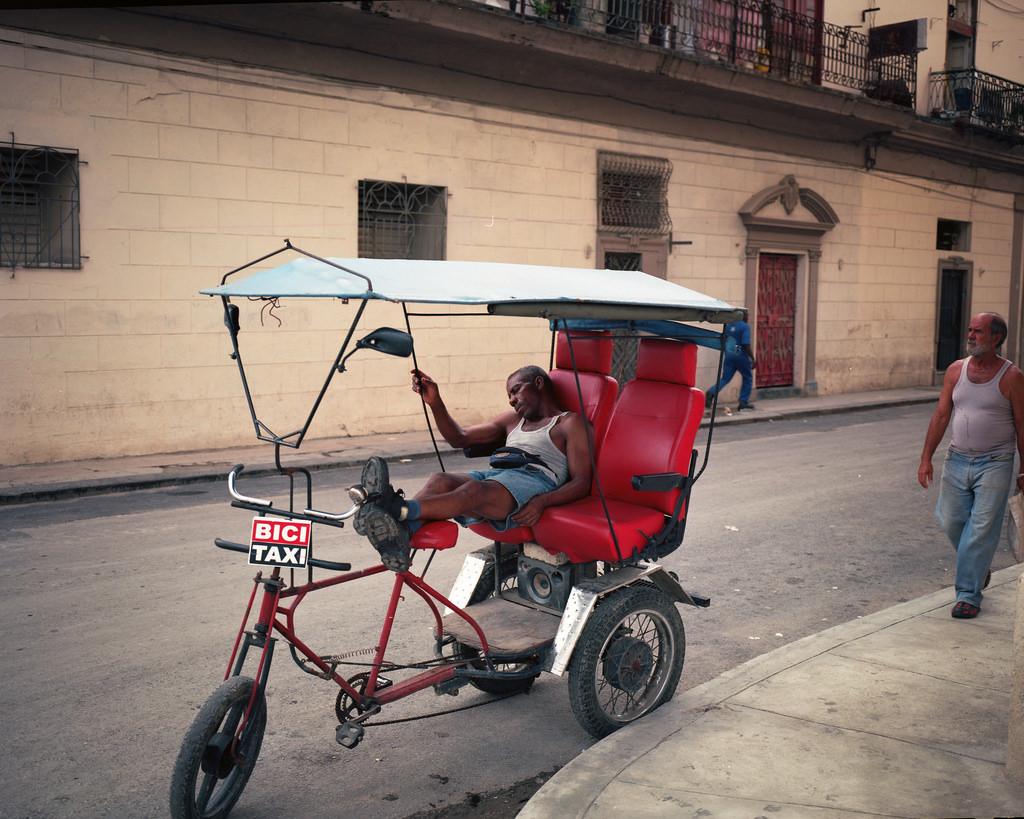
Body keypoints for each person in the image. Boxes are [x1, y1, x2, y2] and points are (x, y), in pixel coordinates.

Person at [355, 365, 593, 572]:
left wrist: (542, 502)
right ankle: (403, 532)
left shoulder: (568, 423)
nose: (511, 399)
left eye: (516, 390)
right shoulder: (511, 421)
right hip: (498, 475)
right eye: (509, 395)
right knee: (441, 480)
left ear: (539, 383)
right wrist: (435, 402)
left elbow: (582, 482)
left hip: (534, 480)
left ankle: (394, 508)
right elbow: (460, 438)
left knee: (473, 491)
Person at [918, 312, 1024, 618]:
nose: (971, 335)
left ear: (996, 339)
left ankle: (968, 594)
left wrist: (1022, 470)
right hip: (957, 458)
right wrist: (926, 458)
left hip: (996, 462)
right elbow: (940, 416)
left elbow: (1022, 425)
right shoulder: (955, 371)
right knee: (949, 519)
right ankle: (979, 566)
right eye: (970, 330)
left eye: (978, 332)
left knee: (981, 529)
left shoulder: (1012, 377)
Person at [706, 310, 757, 412]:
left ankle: (711, 392)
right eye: (747, 315)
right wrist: (752, 358)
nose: (747, 317)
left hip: (729, 355)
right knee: (748, 377)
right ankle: (743, 403)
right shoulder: (745, 326)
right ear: (743, 316)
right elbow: (746, 343)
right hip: (741, 355)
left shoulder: (729, 326)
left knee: (725, 378)